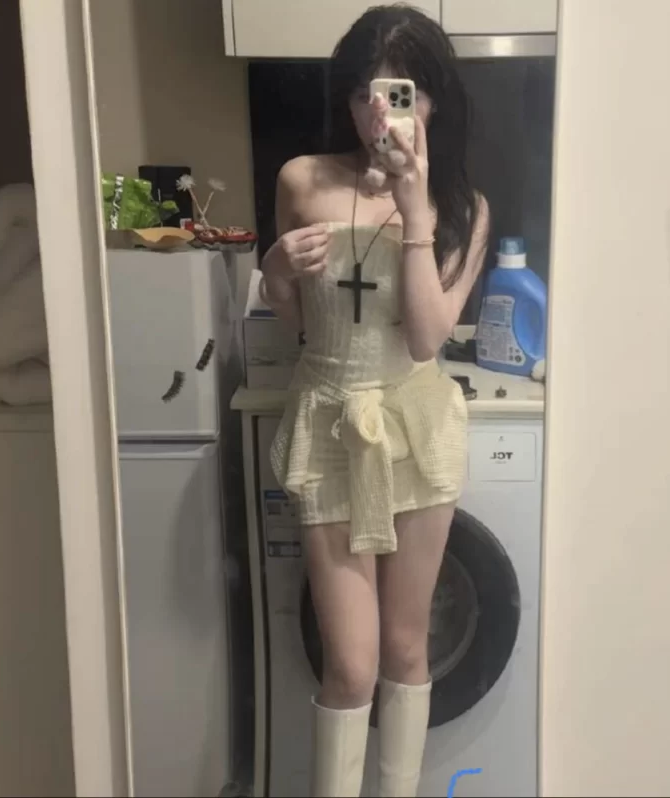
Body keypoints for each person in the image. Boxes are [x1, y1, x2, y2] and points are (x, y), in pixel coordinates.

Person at [259, 5, 489, 796]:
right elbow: (295, 319)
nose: (374, 115)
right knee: (351, 666)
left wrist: (418, 214)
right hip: (329, 421)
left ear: (433, 100)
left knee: (405, 649)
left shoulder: (464, 207)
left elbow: (424, 338)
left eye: (396, 94)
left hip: (415, 426)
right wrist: (275, 269)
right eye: (361, 94)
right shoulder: (302, 179)